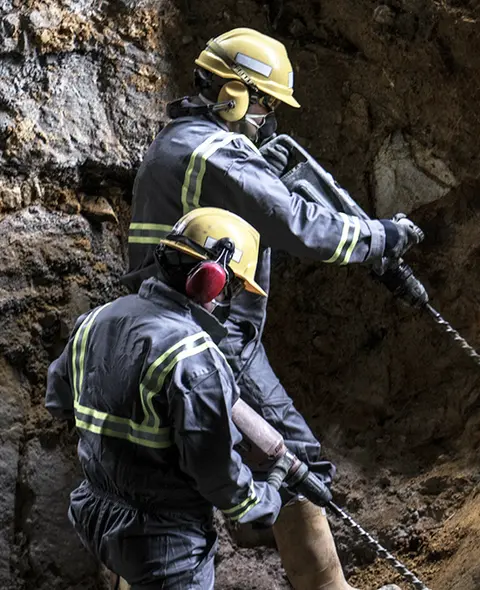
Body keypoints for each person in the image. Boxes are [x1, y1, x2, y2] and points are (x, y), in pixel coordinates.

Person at [122, 28, 423, 588]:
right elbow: (298, 226)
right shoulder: (215, 151)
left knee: (149, 479)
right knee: (301, 467)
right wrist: (379, 237)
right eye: (263, 102)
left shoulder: (178, 142)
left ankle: (245, 516)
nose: (265, 115)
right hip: (211, 337)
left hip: (172, 325)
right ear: (234, 93)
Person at [46, 209, 282, 589]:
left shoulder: (93, 320)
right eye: (232, 287)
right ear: (212, 280)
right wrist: (263, 498)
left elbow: (59, 401)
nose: (228, 299)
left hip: (95, 514)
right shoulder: (196, 358)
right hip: (164, 544)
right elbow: (218, 477)